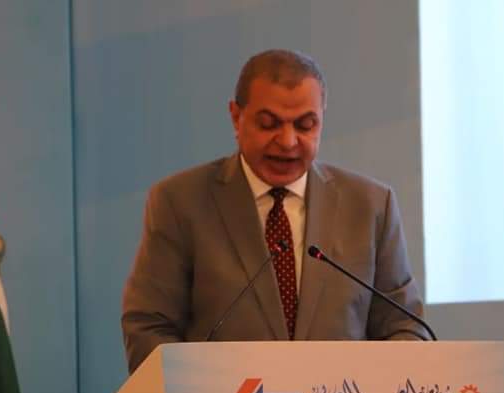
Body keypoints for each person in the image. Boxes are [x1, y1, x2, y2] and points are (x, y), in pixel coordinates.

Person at [122, 49, 429, 373]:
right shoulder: (180, 202)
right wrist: (195, 392)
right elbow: (148, 326)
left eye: (305, 125)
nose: (288, 141)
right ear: (236, 117)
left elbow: (406, 327)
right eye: (269, 124)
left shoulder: (370, 205)